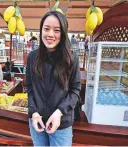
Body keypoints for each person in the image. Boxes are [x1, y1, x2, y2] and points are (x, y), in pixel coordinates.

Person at [26, 11, 81, 146]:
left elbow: (75, 90)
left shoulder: (71, 59)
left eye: (56, 30)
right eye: (46, 29)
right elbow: (29, 87)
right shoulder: (32, 57)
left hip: (61, 123)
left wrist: (59, 113)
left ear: (62, 34)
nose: (50, 34)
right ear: (41, 31)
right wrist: (33, 113)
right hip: (37, 122)